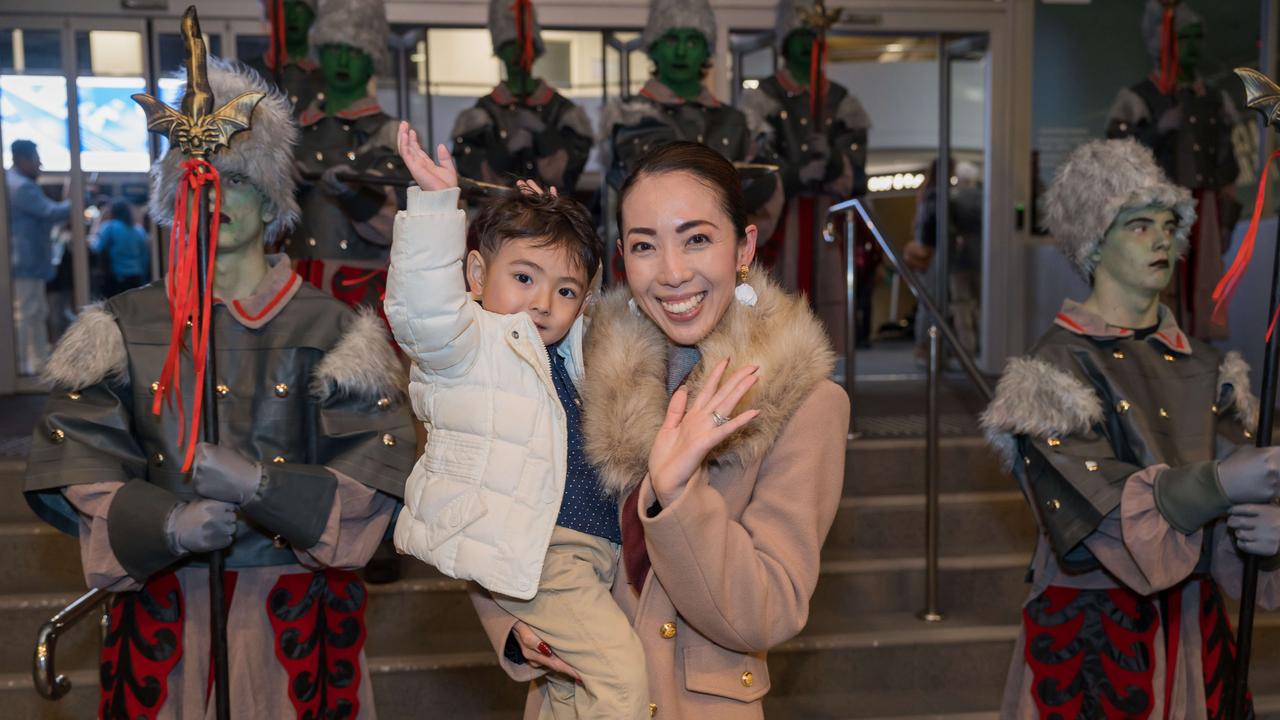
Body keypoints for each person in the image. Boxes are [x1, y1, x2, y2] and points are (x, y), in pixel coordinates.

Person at [22, 58, 416, 719]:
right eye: (196, 181)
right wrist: (165, 523)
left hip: (289, 624)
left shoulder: (336, 330)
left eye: (235, 180)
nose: (213, 197)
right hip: (164, 623)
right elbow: (78, 465)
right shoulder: (120, 328)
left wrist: (266, 490)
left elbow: (376, 473)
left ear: (267, 199)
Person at [471, 141, 849, 717]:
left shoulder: (805, 402)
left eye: (697, 239)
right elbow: (488, 486)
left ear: (744, 246)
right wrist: (509, 620)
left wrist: (678, 496)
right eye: (646, 246)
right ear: (623, 257)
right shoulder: (580, 356)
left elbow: (768, 610)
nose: (672, 274)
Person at [982, 138, 1280, 718]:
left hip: (1197, 638)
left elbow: (1229, 506)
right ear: (1094, 243)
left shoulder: (1208, 367)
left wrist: (1262, 536)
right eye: (1139, 225)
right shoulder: (1049, 372)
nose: (1163, 238)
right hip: (1096, 636)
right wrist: (1222, 485)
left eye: (1169, 223)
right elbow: (1104, 516)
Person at [387, 124, 649, 718]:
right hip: (541, 553)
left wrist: (560, 228)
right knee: (623, 682)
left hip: (597, 549)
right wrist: (434, 206)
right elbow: (421, 308)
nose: (541, 302)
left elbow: (595, 312)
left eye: (563, 290)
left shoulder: (567, 349)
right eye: (523, 277)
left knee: (570, 688)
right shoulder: (469, 345)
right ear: (477, 277)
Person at [599, 0, 782, 267]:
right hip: (650, 262)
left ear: (707, 49)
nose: (682, 52)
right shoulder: (629, 118)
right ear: (654, 46)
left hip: (722, 261)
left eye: (693, 41)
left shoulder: (737, 121)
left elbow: (764, 197)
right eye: (672, 39)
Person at [740, 0, 872, 350]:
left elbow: (857, 171)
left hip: (827, 217)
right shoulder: (764, 97)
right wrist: (797, 173)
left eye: (812, 36)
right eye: (799, 36)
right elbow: (757, 166)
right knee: (779, 298)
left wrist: (831, 162)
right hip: (782, 220)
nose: (806, 45)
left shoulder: (841, 100)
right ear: (785, 42)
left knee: (826, 296)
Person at [1106, 0, 1240, 340]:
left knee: (1204, 282)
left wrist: (1225, 221)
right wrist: (1158, 130)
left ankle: (1197, 351)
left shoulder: (1213, 99)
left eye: (1196, 38)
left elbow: (1226, 167)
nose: (1192, 47)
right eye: (1184, 38)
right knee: (1158, 283)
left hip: (1203, 207)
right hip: (1156, 209)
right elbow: (1117, 155)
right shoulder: (1140, 98)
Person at [287, 0, 408, 312]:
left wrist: (355, 194)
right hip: (294, 284)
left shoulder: (391, 133)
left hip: (361, 288)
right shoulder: (290, 132)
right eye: (334, 48)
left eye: (354, 52)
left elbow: (397, 227)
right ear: (319, 52)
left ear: (372, 60)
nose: (342, 60)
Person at [450, 0, 593, 194]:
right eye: (509, 46)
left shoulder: (562, 110)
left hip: (550, 216)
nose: (516, 56)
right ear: (499, 51)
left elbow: (569, 173)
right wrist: (506, 150)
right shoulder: (482, 113)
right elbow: (477, 180)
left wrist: (544, 135)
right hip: (501, 218)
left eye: (522, 46)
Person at [904, 159, 983, 357]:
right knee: (940, 301)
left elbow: (923, 226)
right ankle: (930, 346)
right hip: (940, 252)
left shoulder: (931, 193)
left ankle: (933, 346)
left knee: (945, 301)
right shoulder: (941, 196)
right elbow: (939, 226)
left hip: (939, 252)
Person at [6, 139, 71, 376]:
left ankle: (36, 362)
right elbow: (51, 212)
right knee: (25, 312)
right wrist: (75, 201)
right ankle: (23, 364)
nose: (40, 164)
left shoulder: (14, 183)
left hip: (26, 262)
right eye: (36, 159)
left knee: (34, 311)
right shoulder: (20, 186)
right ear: (22, 159)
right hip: (24, 261)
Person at [246, 0, 323, 114]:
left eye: (299, 6)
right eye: (285, 6)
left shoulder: (327, 79)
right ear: (270, 13)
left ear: (311, 14)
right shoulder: (249, 75)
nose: (292, 16)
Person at [93, 199, 150, 297]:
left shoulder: (109, 227)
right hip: (136, 276)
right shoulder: (139, 230)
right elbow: (144, 256)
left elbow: (97, 247)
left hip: (116, 276)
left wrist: (96, 226)